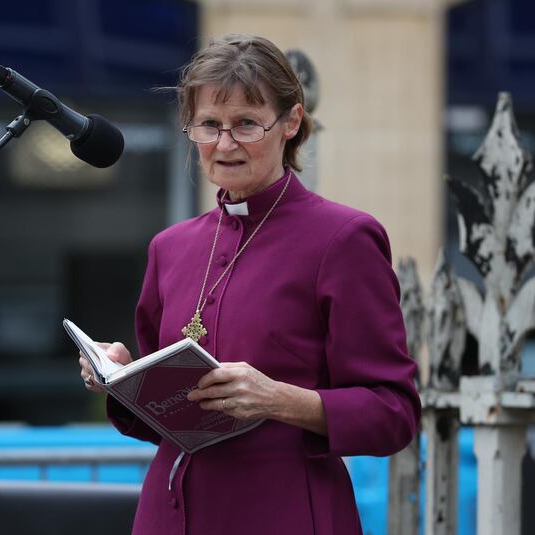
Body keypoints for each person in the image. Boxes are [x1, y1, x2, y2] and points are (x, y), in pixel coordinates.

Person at [78, 35, 420, 534]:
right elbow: (167, 415)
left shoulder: (343, 239)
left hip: (283, 513)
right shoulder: (169, 247)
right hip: (170, 516)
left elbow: (395, 412)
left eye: (246, 124)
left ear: (291, 123)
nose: (224, 143)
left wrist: (279, 398)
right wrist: (124, 379)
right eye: (209, 125)